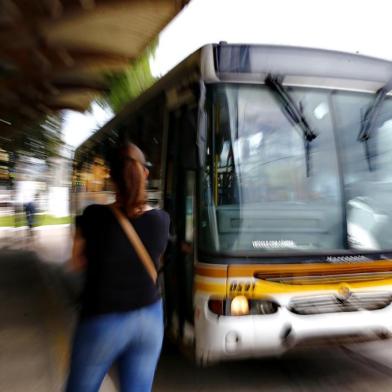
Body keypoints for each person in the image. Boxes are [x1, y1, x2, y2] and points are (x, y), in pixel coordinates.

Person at [66, 143, 170, 392]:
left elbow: (76, 262)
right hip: (150, 318)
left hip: (103, 319)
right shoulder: (161, 220)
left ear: (111, 177)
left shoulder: (93, 216)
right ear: (145, 174)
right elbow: (157, 259)